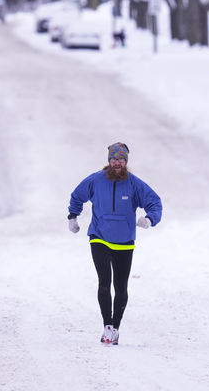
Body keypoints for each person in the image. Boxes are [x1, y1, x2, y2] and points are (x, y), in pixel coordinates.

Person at [67, 142, 162, 345]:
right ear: (108, 161)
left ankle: (116, 328)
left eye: (120, 159)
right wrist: (73, 216)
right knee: (104, 282)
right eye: (113, 159)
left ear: (126, 162)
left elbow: (154, 201)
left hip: (124, 241)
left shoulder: (134, 184)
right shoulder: (95, 180)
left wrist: (150, 219)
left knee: (121, 287)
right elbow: (77, 195)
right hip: (99, 237)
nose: (117, 162)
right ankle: (107, 326)